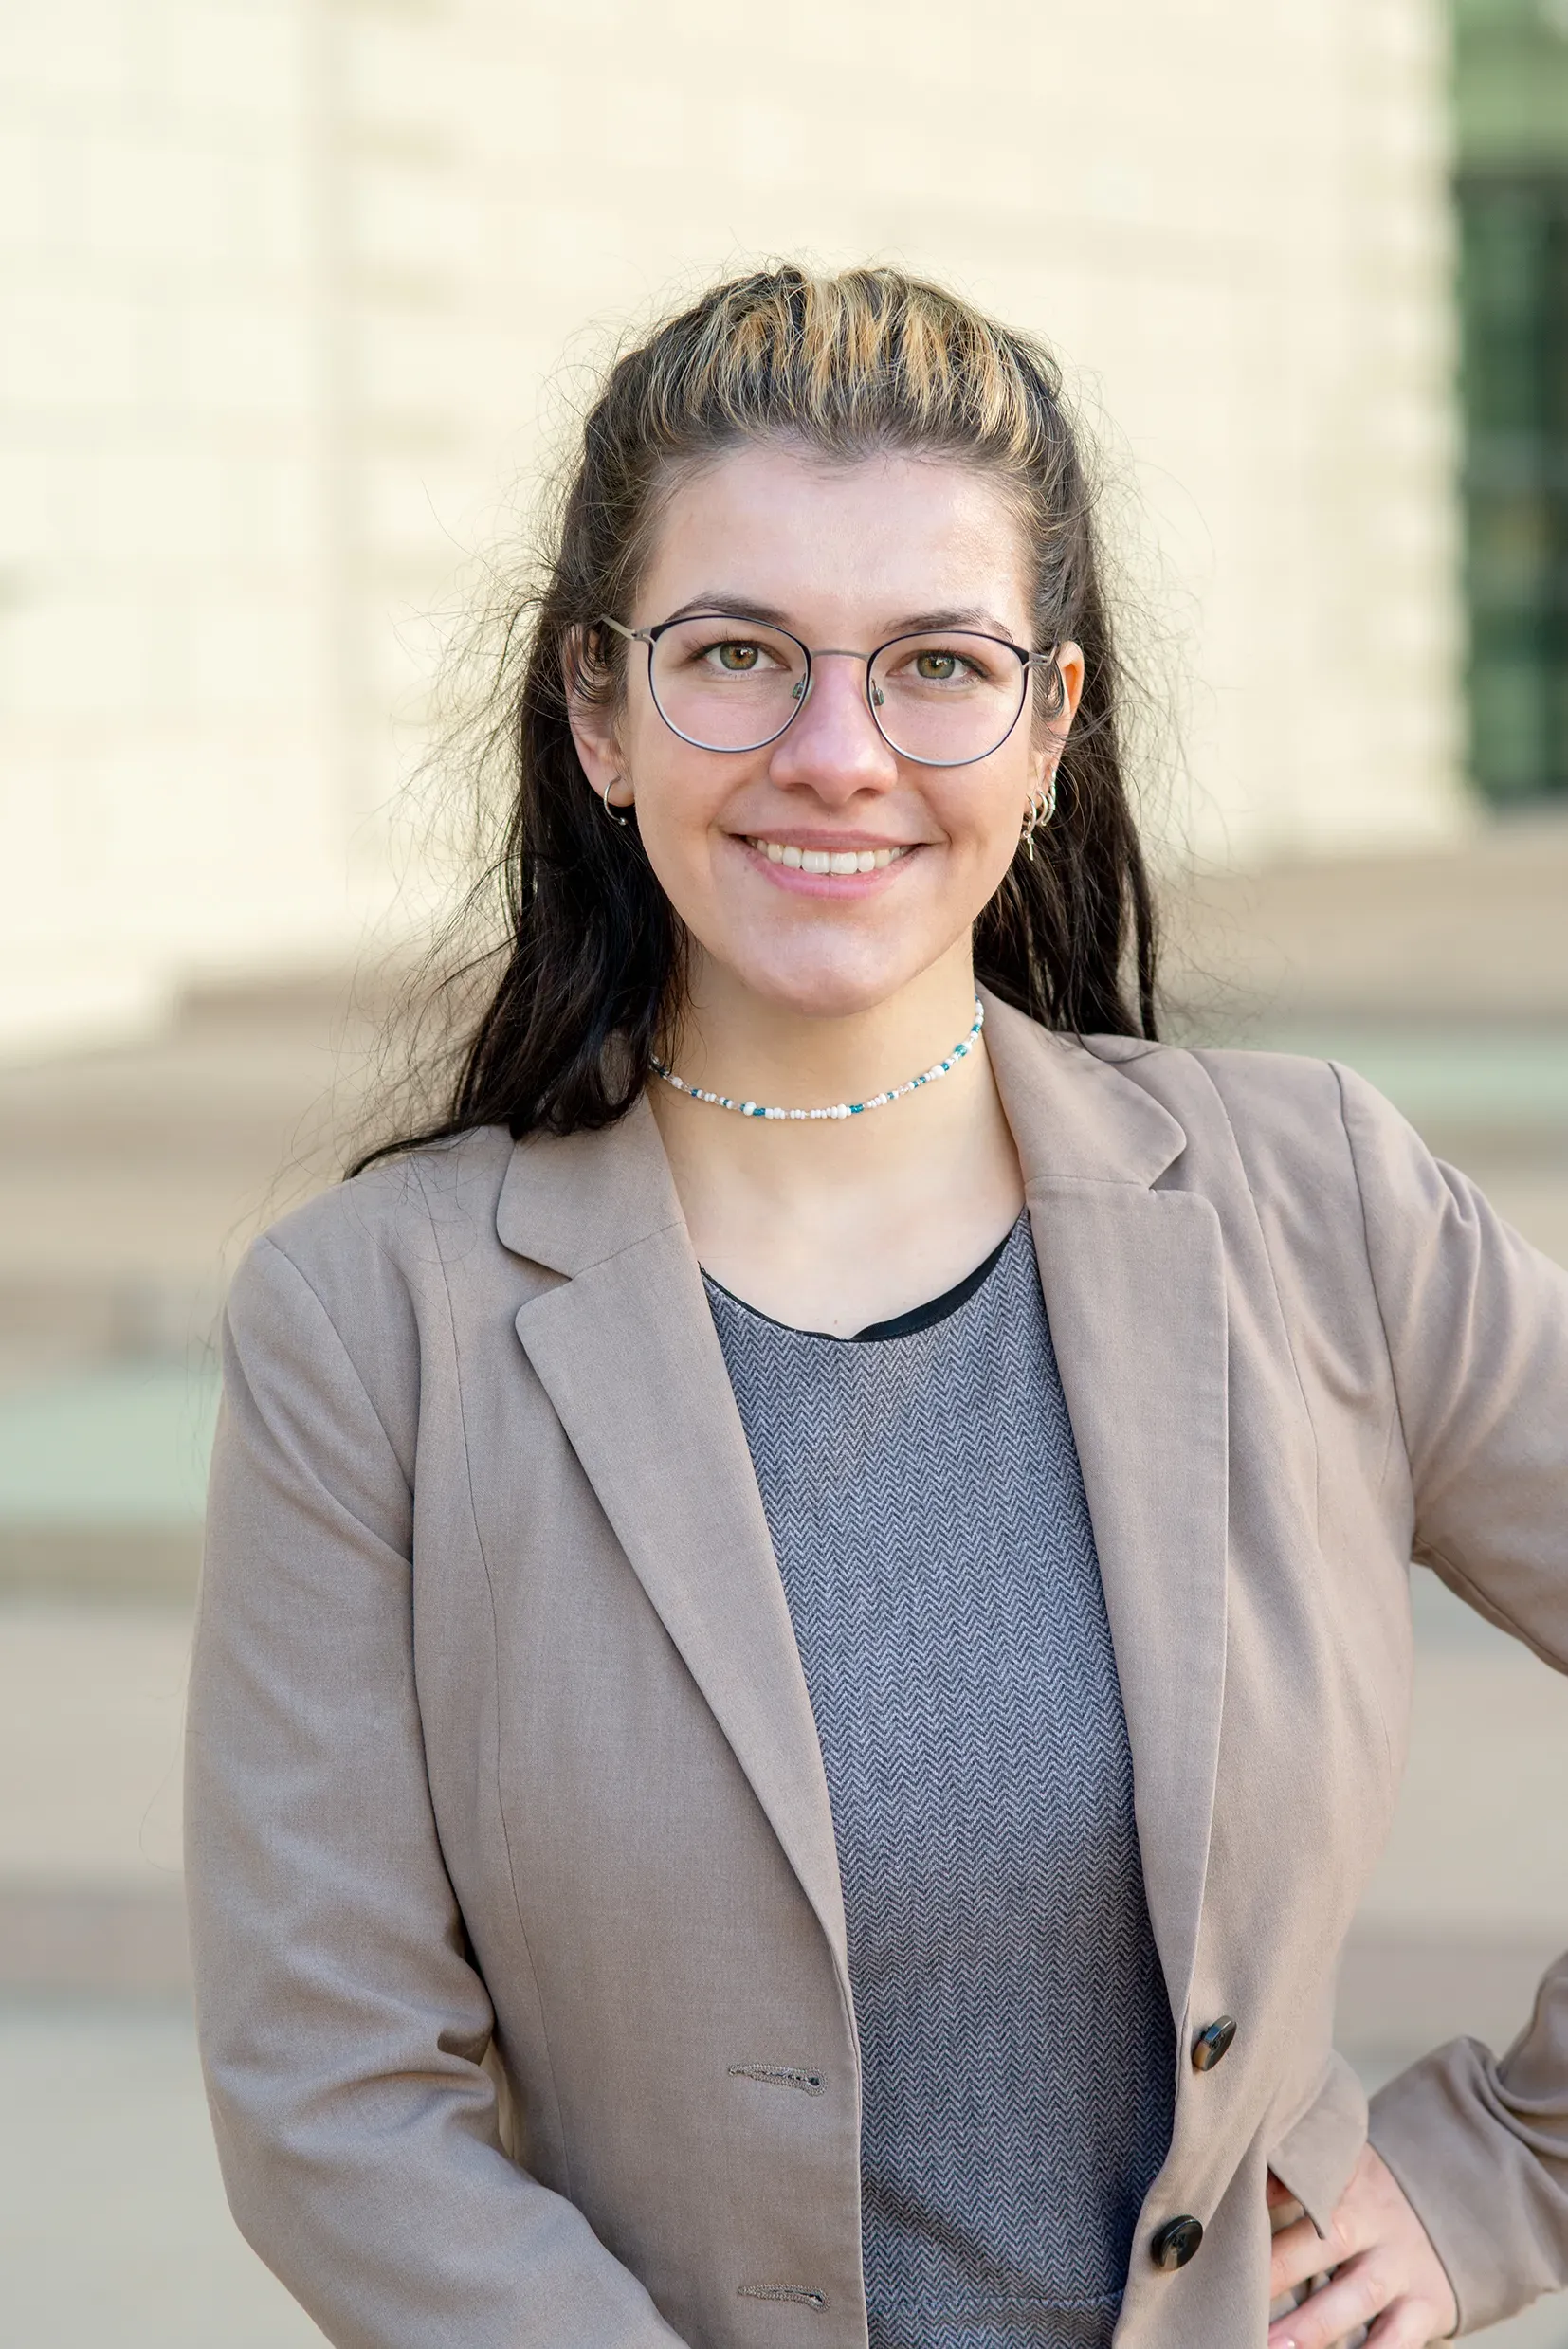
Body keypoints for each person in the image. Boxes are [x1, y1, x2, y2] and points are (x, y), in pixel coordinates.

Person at [185, 265, 1568, 2349]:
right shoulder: (370, 1329)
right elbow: (330, 2098)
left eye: (936, 665)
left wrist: (1499, 2173)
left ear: (1049, 724)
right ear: (597, 711)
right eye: (736, 655)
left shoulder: (1319, 1207)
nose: (835, 756)